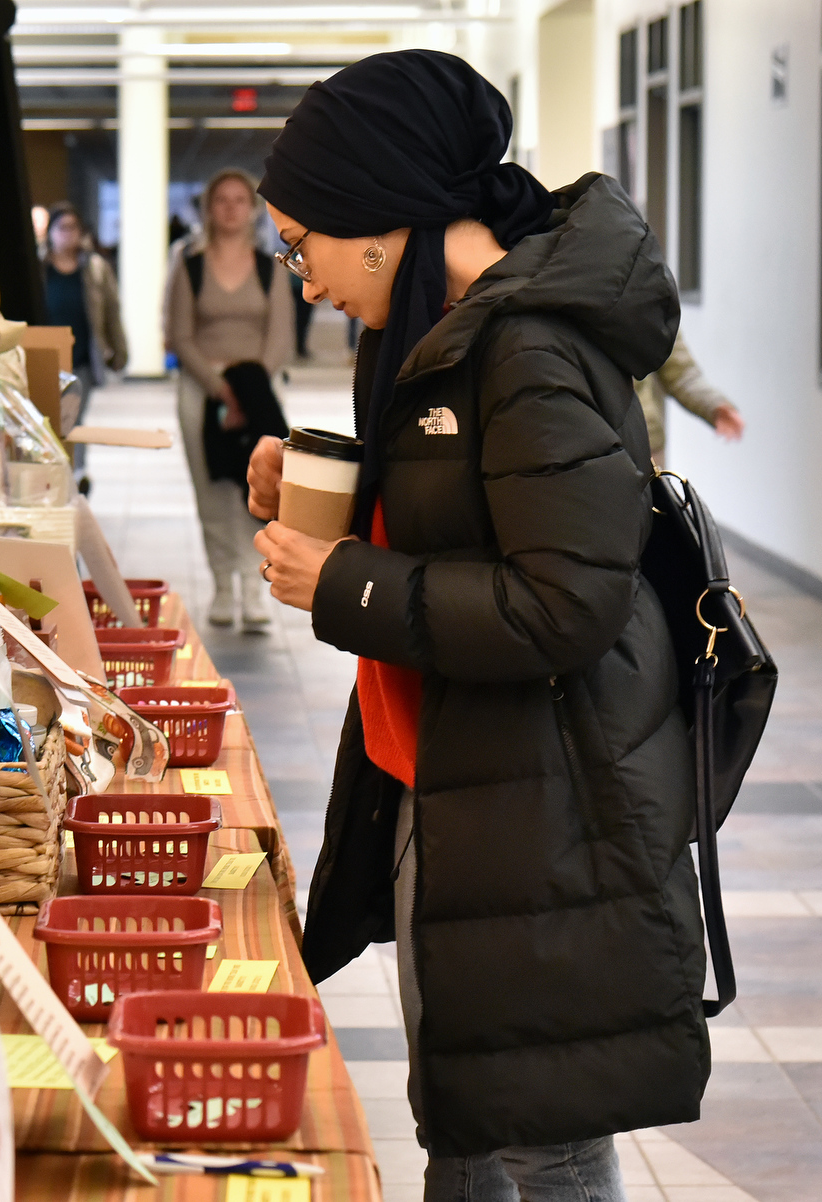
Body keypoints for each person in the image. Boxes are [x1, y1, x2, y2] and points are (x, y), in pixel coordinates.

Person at [246, 49, 705, 1200]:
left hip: (544, 800)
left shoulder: (530, 346)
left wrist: (342, 580)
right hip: (446, 776)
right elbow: (461, 513)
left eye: (301, 245)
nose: (301, 279)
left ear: (380, 222)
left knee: (540, 1138)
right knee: (465, 1113)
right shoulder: (437, 329)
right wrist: (317, 477)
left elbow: (565, 602)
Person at [165, 169, 295, 627]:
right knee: (213, 490)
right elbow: (179, 334)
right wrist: (223, 390)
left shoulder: (269, 265)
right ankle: (222, 584)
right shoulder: (190, 264)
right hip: (204, 389)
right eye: (222, 199)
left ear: (253, 209)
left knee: (256, 489)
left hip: (258, 385)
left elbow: (281, 335)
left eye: (241, 200)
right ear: (209, 208)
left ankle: (254, 588)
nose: (231, 208)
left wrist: (247, 390)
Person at [39, 203, 126, 489]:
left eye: (73, 228)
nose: (68, 235)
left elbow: (112, 311)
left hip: (82, 359)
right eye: (61, 228)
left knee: (73, 417)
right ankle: (52, 473)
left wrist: (118, 351)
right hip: (44, 359)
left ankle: (77, 474)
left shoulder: (94, 268)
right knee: (45, 421)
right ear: (50, 233)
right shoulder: (40, 268)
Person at [636, 330, 745, 459]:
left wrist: (712, 403)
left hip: (644, 444)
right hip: (610, 442)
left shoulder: (649, 311)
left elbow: (681, 373)